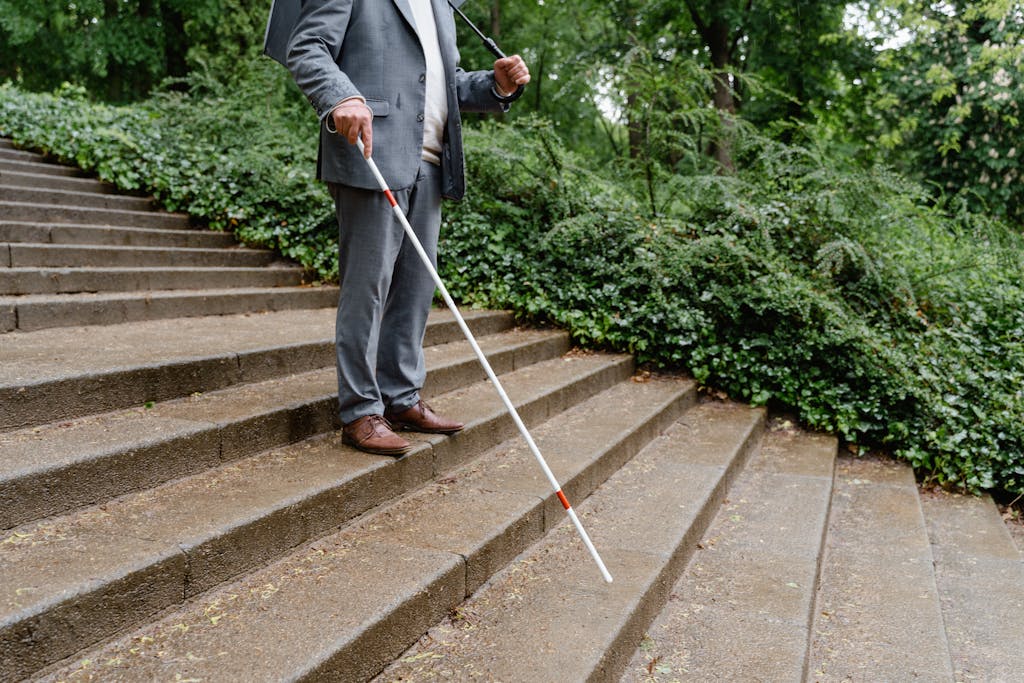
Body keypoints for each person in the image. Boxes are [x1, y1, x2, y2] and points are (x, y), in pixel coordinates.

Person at [287, 0, 530, 456]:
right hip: (371, 155)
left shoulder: (441, 4)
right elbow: (307, 46)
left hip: (432, 163)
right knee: (369, 290)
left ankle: (400, 399)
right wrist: (341, 95)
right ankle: (360, 411)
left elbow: (441, 85)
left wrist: (494, 86)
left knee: (417, 290)